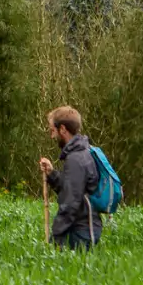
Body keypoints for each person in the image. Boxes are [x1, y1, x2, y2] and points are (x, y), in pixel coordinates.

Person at [39, 106, 100, 249]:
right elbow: (71, 189)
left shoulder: (76, 159)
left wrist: (55, 237)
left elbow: (70, 202)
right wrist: (52, 174)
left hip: (81, 232)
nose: (51, 136)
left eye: (52, 130)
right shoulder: (81, 153)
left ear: (63, 129)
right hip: (83, 229)